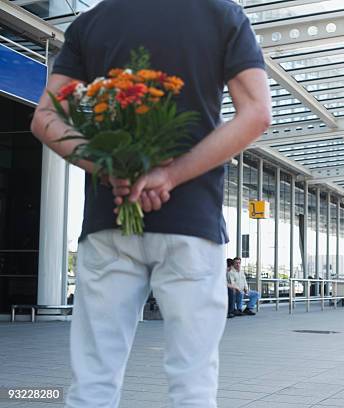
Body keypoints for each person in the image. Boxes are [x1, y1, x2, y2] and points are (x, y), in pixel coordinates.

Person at [29, 1, 271, 406]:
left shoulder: (91, 21)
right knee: (192, 382)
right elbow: (257, 114)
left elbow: (46, 119)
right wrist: (169, 176)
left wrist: (110, 168)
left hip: (109, 222)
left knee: (93, 381)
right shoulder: (221, 14)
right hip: (191, 225)